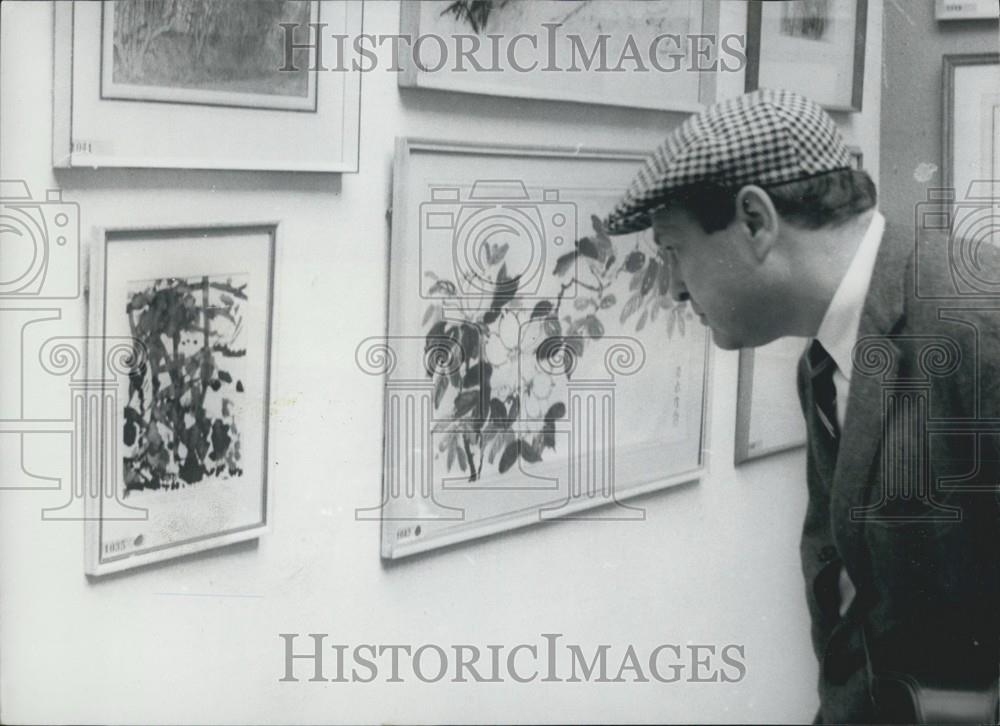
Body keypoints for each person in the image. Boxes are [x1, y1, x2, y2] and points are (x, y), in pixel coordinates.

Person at [604, 88, 1000, 723]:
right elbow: (858, 620)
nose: (674, 287)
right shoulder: (824, 363)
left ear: (756, 222)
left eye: (673, 249)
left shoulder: (978, 329)